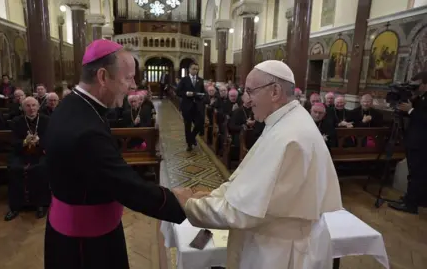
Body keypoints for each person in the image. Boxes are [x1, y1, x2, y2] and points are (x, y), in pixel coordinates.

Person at [177, 60, 342, 269]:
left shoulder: (290, 136)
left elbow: (246, 211)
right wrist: (213, 196)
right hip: (275, 243)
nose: (246, 100)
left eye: (250, 91)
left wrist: (189, 205)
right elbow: (247, 179)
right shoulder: (284, 121)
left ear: (274, 92)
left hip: (280, 253)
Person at [43, 39, 187, 269]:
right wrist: (181, 204)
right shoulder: (85, 130)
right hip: (86, 247)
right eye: (128, 77)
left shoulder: (73, 105)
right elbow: (126, 187)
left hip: (85, 228)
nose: (133, 85)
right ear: (102, 77)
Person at [5, 97, 50, 221]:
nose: (31, 109)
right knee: (14, 169)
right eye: (28, 106)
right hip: (21, 153)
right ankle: (15, 206)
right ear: (23, 108)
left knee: (41, 169)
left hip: (40, 153)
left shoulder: (46, 120)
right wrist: (25, 141)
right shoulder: (16, 121)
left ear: (38, 107)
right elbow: (13, 141)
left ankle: (41, 204)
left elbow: (51, 139)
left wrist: (39, 142)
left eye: (34, 105)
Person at [389, 71, 427, 214]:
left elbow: (422, 117)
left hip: (421, 143)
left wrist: (411, 110)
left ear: (425, 84)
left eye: (417, 85)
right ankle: (414, 199)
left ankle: (411, 205)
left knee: (417, 174)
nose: (414, 87)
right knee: (415, 173)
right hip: (415, 141)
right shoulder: (421, 97)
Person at [176, 62, 204, 151]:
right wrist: (186, 93)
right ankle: (189, 144)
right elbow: (178, 92)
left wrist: (201, 96)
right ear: (189, 69)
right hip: (187, 106)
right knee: (187, 126)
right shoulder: (184, 80)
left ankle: (192, 138)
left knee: (199, 124)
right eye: (193, 69)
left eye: (196, 69)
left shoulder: (200, 80)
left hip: (197, 106)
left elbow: (203, 92)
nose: (195, 70)